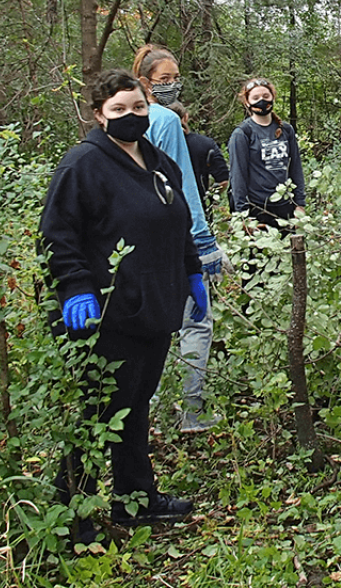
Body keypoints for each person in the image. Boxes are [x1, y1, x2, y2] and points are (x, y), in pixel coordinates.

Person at [40, 69, 204, 544]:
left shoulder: (157, 161)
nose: (131, 117)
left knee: (136, 406)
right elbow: (57, 235)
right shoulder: (83, 166)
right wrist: (74, 287)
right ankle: (73, 518)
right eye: (119, 110)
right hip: (105, 313)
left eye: (138, 108)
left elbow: (179, 222)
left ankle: (136, 498)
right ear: (98, 114)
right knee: (100, 412)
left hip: (153, 307)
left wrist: (192, 271)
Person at [132, 45, 223, 433]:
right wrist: (203, 243)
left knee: (152, 328)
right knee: (196, 324)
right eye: (163, 80)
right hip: (173, 239)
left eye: (175, 79)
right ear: (144, 83)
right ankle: (191, 411)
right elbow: (180, 185)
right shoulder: (166, 120)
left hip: (135, 242)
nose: (171, 86)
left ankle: (147, 412)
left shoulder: (117, 122)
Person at [227, 77, 306, 231]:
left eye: (265, 96)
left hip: (285, 206)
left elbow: (296, 167)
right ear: (247, 102)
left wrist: (300, 204)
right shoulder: (242, 134)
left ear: (273, 97)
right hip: (257, 208)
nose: (261, 101)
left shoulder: (286, 130)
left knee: (290, 252)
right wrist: (243, 213)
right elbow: (238, 176)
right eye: (255, 98)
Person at [166, 101, 231, 215]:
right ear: (186, 117)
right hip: (199, 210)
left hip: (167, 210)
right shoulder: (205, 144)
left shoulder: (154, 146)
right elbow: (223, 180)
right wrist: (209, 198)